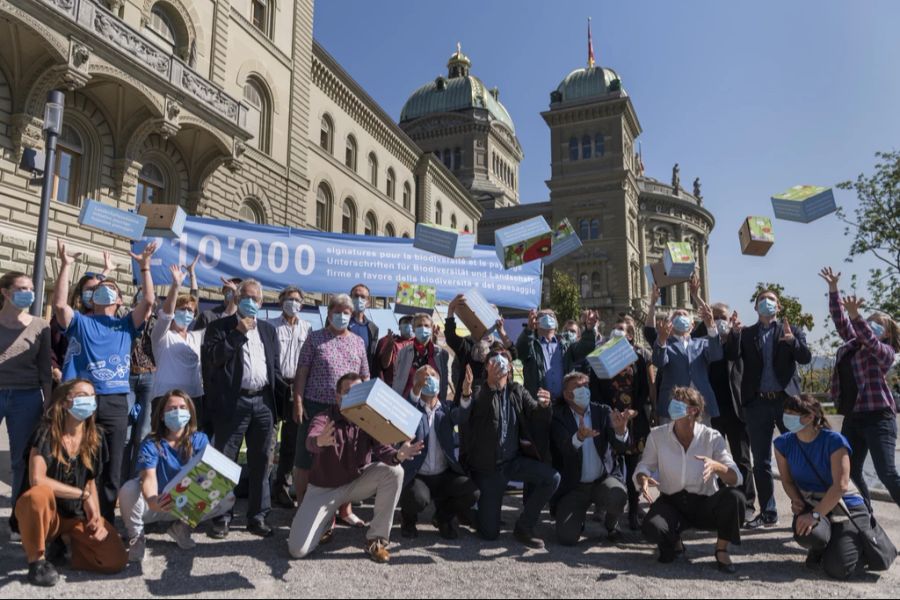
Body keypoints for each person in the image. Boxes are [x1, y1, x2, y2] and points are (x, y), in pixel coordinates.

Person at [53, 239, 158, 523]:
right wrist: (65, 266)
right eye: (100, 289)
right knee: (78, 461)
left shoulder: (126, 325)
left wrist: (145, 268)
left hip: (115, 401)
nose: (104, 291)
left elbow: (148, 302)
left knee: (113, 468)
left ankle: (107, 524)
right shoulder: (80, 322)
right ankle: (75, 520)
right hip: (84, 401)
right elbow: (60, 304)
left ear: (119, 300)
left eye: (111, 289)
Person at [287, 373, 424, 562]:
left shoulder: (367, 419)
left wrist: (399, 455)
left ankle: (376, 540)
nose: (354, 396)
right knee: (297, 550)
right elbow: (311, 441)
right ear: (337, 396)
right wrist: (319, 440)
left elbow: (382, 449)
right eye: (348, 392)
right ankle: (326, 521)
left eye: (358, 391)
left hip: (355, 484)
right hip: (323, 490)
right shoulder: (324, 417)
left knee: (395, 471)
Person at [15, 379, 127, 587]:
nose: (89, 401)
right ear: (65, 402)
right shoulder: (46, 432)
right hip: (46, 515)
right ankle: (37, 562)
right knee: (38, 495)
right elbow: (37, 479)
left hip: (74, 516)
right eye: (82, 396)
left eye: (92, 396)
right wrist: (82, 496)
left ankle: (68, 544)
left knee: (115, 559)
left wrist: (94, 513)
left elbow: (90, 482)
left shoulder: (96, 437)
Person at [204, 278, 283, 538]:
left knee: (262, 461)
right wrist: (238, 332)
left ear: (261, 302)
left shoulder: (269, 331)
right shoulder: (219, 327)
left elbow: (275, 368)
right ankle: (221, 517)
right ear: (237, 299)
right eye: (246, 297)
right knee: (224, 460)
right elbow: (215, 358)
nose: (251, 302)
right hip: (233, 402)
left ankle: (257, 516)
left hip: (263, 403)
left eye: (256, 298)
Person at [635, 386, 745, 574]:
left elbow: (737, 477)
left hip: (703, 504)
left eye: (679, 403)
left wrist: (717, 467)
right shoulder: (657, 435)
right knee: (653, 531)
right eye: (673, 402)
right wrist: (643, 478)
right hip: (672, 502)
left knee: (735, 497)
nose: (672, 407)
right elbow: (644, 466)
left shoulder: (712, 437)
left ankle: (721, 550)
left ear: (694, 410)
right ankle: (675, 540)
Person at [460, 348, 560, 548]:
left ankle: (524, 526)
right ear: (487, 366)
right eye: (494, 360)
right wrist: (490, 385)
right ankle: (466, 511)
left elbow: (535, 416)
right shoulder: (479, 389)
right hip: (488, 468)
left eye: (504, 360)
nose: (499, 364)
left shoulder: (517, 390)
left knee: (552, 478)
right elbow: (478, 409)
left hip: (513, 462)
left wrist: (544, 406)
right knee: (489, 534)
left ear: (511, 368)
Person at [728, 288, 812, 529]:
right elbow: (732, 355)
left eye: (771, 299)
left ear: (779, 306)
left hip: (787, 404)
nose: (766, 302)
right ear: (756, 307)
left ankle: (803, 509)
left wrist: (793, 342)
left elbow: (805, 357)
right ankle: (768, 512)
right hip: (757, 404)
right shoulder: (746, 334)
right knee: (761, 461)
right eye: (762, 300)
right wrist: (734, 334)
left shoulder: (791, 330)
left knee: (797, 456)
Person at [119, 390, 234, 562]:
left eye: (182, 407)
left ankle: (182, 528)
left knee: (227, 496)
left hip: (185, 506)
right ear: (162, 416)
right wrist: (152, 500)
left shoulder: (200, 440)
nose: (178, 412)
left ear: (190, 413)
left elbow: (209, 475)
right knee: (129, 489)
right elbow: (148, 476)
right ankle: (137, 537)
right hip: (156, 504)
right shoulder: (151, 442)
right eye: (171, 408)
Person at [821, 267, 900, 511]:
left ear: (887, 333)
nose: (871, 325)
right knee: (850, 471)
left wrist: (857, 317)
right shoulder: (851, 345)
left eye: (878, 324)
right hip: (853, 418)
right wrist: (834, 289)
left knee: (886, 472)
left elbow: (871, 341)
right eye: (870, 321)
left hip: (878, 418)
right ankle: (866, 518)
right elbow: (840, 320)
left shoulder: (885, 352)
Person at [774, 394, 874, 579]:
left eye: (791, 413)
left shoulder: (834, 440)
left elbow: (841, 486)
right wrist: (796, 499)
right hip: (814, 503)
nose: (786, 417)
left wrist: (814, 515)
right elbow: (787, 481)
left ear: (810, 417)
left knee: (839, 570)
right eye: (785, 412)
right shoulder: (782, 443)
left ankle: (856, 543)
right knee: (805, 533)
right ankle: (822, 545)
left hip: (846, 506)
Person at [292, 293, 370, 530]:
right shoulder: (315, 338)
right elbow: (302, 372)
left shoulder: (358, 341)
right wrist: (297, 401)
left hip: (348, 411)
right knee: (305, 459)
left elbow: (365, 376)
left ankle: (345, 510)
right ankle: (303, 507)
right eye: (337, 311)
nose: (342, 316)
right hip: (316, 406)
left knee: (347, 460)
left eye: (346, 312)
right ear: (329, 314)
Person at [551, 372, 632, 545]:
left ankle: (612, 525)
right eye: (578, 387)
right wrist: (579, 437)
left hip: (601, 481)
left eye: (585, 386)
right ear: (567, 395)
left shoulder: (602, 411)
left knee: (617, 495)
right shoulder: (558, 416)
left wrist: (620, 432)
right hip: (574, 487)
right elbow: (564, 449)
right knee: (566, 538)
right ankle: (576, 519)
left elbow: (621, 448)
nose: (584, 390)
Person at [1, 272, 52, 539]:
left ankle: (16, 519)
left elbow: (45, 369)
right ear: (6, 292)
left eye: (31, 289)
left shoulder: (41, 325)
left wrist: (48, 403)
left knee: (22, 459)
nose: (28, 293)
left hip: (27, 397)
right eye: (21, 288)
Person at [400, 365, 478, 540]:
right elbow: (408, 406)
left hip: (443, 474)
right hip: (418, 475)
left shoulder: (447, 409)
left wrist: (466, 393)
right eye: (424, 376)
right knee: (416, 498)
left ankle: (443, 518)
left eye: (433, 375)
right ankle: (408, 520)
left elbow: (462, 415)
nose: (429, 378)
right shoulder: (411, 409)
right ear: (417, 381)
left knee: (471, 492)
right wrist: (417, 388)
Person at [592, 318, 654, 530]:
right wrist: (606, 412)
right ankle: (606, 509)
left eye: (621, 329)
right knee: (609, 464)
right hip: (609, 418)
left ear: (629, 335)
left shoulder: (638, 359)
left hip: (633, 420)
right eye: (614, 329)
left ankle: (634, 512)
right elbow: (595, 387)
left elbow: (645, 388)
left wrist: (636, 410)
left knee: (633, 466)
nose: (617, 332)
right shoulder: (600, 357)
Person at [267, 285, 312, 509]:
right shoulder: (270, 326)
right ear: (280, 302)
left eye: (296, 299)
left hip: (298, 387)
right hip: (275, 385)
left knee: (292, 442)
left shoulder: (307, 328)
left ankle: (283, 487)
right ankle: (264, 489)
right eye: (288, 299)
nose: (292, 303)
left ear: (302, 304)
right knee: (269, 440)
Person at [49, 252, 115, 386]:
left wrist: (106, 271)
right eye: (90, 290)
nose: (94, 294)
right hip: (66, 381)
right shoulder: (65, 318)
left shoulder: (103, 320)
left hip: (94, 383)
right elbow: (50, 348)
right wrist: (57, 372)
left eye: (97, 290)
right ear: (80, 292)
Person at [148, 264, 205, 418]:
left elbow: (224, 319)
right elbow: (166, 314)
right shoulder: (162, 336)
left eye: (190, 311)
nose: (186, 313)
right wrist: (175, 286)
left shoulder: (196, 337)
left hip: (193, 398)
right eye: (182, 309)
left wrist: (193, 275)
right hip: (165, 398)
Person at [652, 304, 722, 425]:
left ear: (692, 324)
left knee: (701, 442)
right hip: (673, 405)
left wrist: (711, 326)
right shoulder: (665, 344)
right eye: (676, 315)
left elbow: (716, 355)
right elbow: (659, 362)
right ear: (670, 323)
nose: (680, 316)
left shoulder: (702, 343)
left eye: (684, 314)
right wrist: (662, 340)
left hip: (700, 406)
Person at [444, 293, 514, 404]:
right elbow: (451, 337)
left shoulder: (498, 346)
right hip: (468, 402)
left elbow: (513, 354)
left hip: (493, 402)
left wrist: (501, 331)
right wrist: (451, 310)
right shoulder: (467, 344)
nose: (486, 325)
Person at [391, 313, 450, 403]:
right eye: (419, 325)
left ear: (431, 328)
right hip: (407, 402)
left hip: (431, 405)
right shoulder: (403, 352)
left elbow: (444, 382)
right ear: (414, 328)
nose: (423, 328)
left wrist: (442, 402)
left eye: (426, 325)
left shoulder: (441, 354)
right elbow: (397, 378)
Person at [372, 315, 415, 386]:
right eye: (406, 322)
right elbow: (384, 365)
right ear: (399, 327)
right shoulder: (392, 341)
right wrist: (390, 345)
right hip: (393, 385)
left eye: (411, 323)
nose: (409, 325)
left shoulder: (419, 344)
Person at [348, 283, 379, 375]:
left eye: (363, 297)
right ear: (350, 298)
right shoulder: (339, 321)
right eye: (356, 296)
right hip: (341, 375)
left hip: (361, 377)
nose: (359, 299)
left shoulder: (373, 328)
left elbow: (371, 357)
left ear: (368, 302)